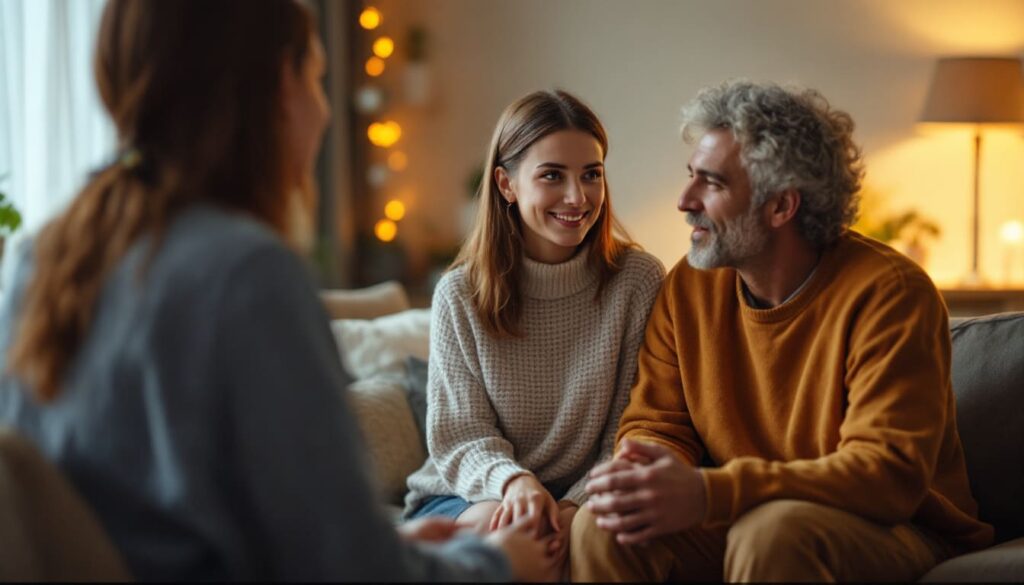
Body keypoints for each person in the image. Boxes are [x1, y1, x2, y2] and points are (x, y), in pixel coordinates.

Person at [0, 0, 551, 581]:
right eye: (314, 78)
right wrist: (496, 564)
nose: (324, 111)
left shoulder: (39, 259)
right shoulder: (248, 276)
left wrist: (398, 544)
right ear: (272, 88)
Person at [571, 80, 994, 582]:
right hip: (751, 512)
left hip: (898, 527)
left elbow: (886, 475)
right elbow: (658, 423)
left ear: (781, 207)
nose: (685, 200)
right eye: (691, 177)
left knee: (773, 532)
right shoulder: (689, 286)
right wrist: (646, 476)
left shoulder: (891, 293)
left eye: (713, 183)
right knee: (604, 524)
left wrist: (712, 493)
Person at [402, 90, 665, 573]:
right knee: (506, 534)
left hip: (579, 498)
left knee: (560, 537)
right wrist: (515, 483)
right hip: (471, 491)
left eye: (591, 174)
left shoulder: (638, 281)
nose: (577, 197)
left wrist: (574, 506)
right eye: (552, 176)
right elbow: (460, 436)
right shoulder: (459, 294)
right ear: (506, 184)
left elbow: (632, 428)